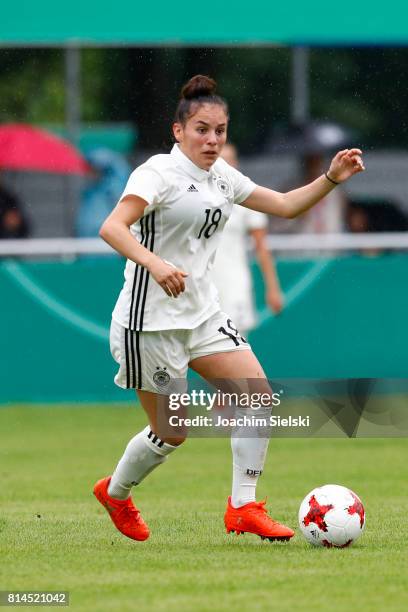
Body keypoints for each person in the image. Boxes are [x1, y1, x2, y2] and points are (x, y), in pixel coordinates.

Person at [93, 75, 364, 543]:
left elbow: (282, 205)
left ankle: (243, 506)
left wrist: (329, 179)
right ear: (178, 131)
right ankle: (116, 493)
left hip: (202, 316)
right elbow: (113, 228)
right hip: (149, 325)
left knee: (256, 396)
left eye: (220, 130)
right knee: (173, 433)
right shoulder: (157, 173)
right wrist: (155, 264)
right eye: (202, 129)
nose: (212, 139)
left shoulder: (222, 175)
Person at [212, 143, 283, 337]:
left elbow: (262, 247)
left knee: (235, 347)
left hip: (235, 284)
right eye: (221, 160)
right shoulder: (196, 197)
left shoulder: (248, 199)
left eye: (230, 160)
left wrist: (273, 288)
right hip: (203, 286)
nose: (226, 165)